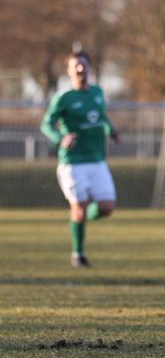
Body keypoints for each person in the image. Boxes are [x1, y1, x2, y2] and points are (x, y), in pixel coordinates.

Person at [40, 51, 119, 267]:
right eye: (75, 66)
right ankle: (78, 253)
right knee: (80, 206)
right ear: (68, 71)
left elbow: (102, 116)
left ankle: (80, 217)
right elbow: (46, 124)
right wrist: (60, 138)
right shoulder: (63, 98)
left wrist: (111, 130)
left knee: (107, 207)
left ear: (89, 68)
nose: (80, 69)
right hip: (73, 162)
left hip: (97, 159)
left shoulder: (98, 92)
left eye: (83, 65)